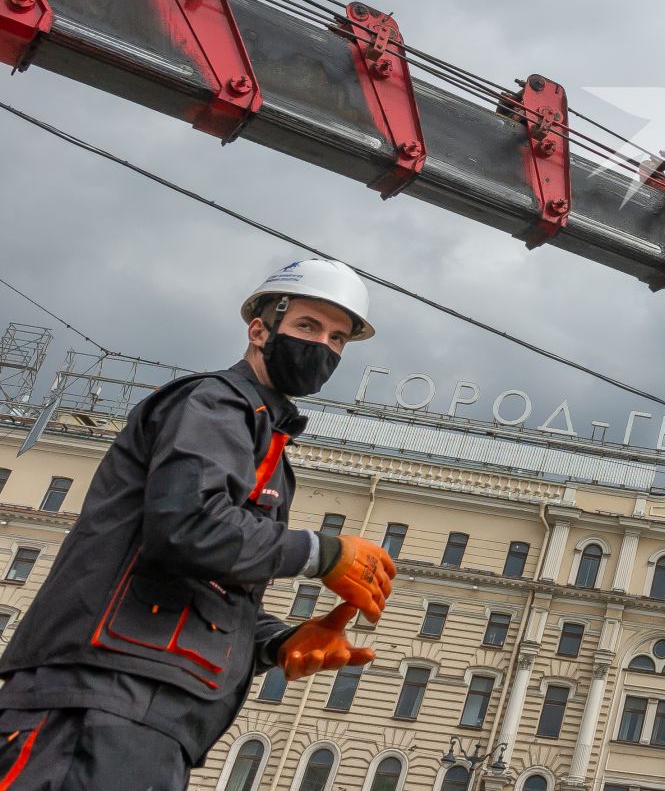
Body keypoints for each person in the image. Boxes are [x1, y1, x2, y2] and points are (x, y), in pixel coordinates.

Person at [0, 259, 398, 790]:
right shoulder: (215, 402)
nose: (322, 346)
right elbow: (188, 526)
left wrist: (279, 642)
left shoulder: (265, 439)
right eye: (307, 326)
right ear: (260, 329)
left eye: (338, 338)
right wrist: (323, 553)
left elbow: (204, 578)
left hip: (154, 713)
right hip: (97, 700)